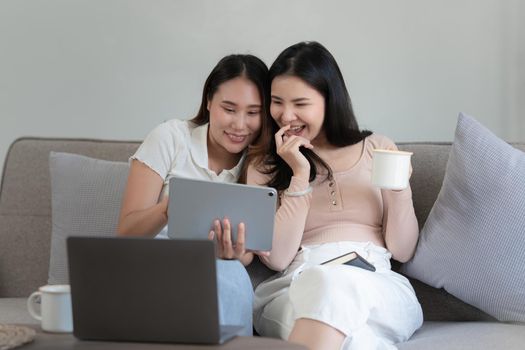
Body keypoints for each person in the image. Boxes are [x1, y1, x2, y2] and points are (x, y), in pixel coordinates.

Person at [242, 42, 423, 349]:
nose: (286, 115)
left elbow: (402, 250)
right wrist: (299, 176)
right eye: (276, 102)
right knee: (352, 329)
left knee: (337, 287)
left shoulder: (377, 147)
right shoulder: (263, 164)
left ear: (329, 99)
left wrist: (399, 188)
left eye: (300, 103)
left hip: (375, 282)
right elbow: (278, 257)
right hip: (299, 282)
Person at [117, 54, 271, 336]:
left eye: (253, 113)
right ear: (209, 101)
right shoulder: (170, 137)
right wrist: (167, 210)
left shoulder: (261, 164)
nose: (240, 125)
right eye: (229, 108)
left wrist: (235, 254)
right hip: (155, 265)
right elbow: (126, 233)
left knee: (232, 276)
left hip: (219, 273)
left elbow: (249, 255)